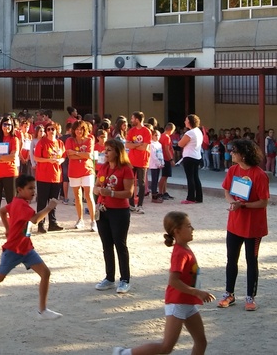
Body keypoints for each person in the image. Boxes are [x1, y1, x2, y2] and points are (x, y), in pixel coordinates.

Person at [112, 211, 215, 355]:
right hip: (178, 303)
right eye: (189, 226)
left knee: (201, 342)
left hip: (188, 303)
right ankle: (124, 353)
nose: (193, 229)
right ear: (177, 231)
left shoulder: (185, 248)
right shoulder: (180, 253)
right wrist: (196, 292)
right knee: (166, 348)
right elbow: (173, 281)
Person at [0, 174, 62, 320]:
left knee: (45, 273)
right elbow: (35, 220)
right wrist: (49, 208)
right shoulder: (22, 205)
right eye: (30, 188)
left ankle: (42, 310)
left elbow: (2, 211)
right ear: (19, 189)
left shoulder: (17, 202)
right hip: (13, 249)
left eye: (34, 188)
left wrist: (8, 228)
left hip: (26, 248)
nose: (33, 191)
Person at [217, 138, 269, 312]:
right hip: (235, 224)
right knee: (231, 260)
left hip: (253, 227)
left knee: (251, 260)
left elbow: (263, 202)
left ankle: (250, 297)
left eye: (234, 150)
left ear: (244, 155)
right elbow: (226, 192)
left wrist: (244, 205)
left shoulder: (259, 175)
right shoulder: (232, 170)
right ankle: (229, 294)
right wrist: (233, 202)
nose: (231, 153)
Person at [93, 139, 134, 294]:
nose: (106, 153)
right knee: (106, 245)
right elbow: (97, 184)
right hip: (103, 210)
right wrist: (97, 190)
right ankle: (109, 277)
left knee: (120, 244)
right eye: (105, 150)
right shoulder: (103, 167)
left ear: (117, 152)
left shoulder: (126, 169)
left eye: (109, 150)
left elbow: (129, 192)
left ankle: (125, 279)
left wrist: (111, 193)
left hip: (119, 211)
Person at [34, 122, 65, 233]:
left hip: (56, 176)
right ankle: (40, 224)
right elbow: (36, 157)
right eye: (49, 129)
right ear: (46, 131)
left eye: (53, 129)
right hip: (43, 176)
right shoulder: (41, 142)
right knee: (42, 202)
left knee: (53, 201)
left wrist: (61, 160)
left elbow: (64, 156)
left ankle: (53, 222)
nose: (51, 131)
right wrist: (48, 160)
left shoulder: (60, 143)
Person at [65, 120, 96, 231]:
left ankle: (93, 221)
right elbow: (69, 155)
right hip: (74, 171)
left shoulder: (90, 139)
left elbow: (88, 155)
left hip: (87, 170)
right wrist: (79, 155)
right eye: (77, 129)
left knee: (88, 195)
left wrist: (76, 153)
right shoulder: (69, 140)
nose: (79, 131)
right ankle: (80, 219)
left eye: (81, 129)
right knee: (77, 196)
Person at [125, 111, 151, 214]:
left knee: (142, 183)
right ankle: (131, 205)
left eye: (132, 118)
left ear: (137, 119)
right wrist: (137, 145)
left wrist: (133, 144)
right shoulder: (131, 131)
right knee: (130, 182)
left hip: (143, 161)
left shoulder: (147, 131)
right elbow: (127, 145)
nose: (131, 120)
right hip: (131, 160)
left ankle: (140, 205)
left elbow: (145, 147)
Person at [178, 114, 203, 204]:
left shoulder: (190, 133)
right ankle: (199, 197)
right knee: (196, 177)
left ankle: (191, 198)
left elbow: (180, 144)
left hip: (189, 156)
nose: (185, 121)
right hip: (197, 156)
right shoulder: (198, 131)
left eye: (186, 120)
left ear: (189, 122)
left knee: (190, 178)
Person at [148, 129, 165, 203]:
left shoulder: (159, 144)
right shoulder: (151, 144)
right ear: (152, 136)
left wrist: (162, 162)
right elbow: (153, 155)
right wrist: (158, 163)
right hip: (154, 164)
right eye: (155, 135)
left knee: (156, 179)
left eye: (158, 135)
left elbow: (161, 154)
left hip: (159, 164)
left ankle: (155, 193)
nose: (157, 137)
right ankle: (154, 195)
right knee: (154, 180)